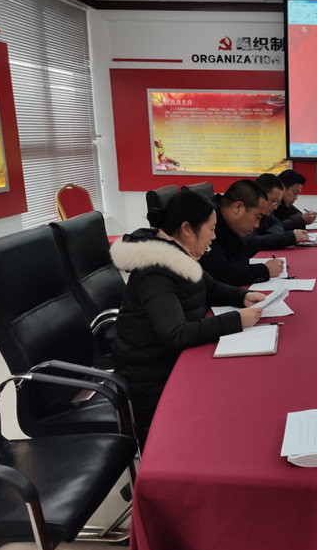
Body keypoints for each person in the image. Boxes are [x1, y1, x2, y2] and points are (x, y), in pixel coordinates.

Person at [111, 190, 266, 443]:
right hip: (153, 380)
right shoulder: (156, 269)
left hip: (175, 362)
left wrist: (243, 297)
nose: (214, 237)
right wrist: (236, 320)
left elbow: (210, 287)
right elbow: (176, 333)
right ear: (186, 229)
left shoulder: (178, 254)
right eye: (211, 229)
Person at [200, 179, 284, 285]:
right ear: (238, 207)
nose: (257, 225)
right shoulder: (205, 219)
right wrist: (264, 270)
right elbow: (220, 273)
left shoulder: (231, 223)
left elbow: (241, 259)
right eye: (257, 217)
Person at [244, 173, 310, 253]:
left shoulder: (267, 211)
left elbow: (278, 224)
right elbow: (251, 242)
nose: (275, 207)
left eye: (277, 203)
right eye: (273, 201)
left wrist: (269, 236)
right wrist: (290, 237)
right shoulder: (245, 212)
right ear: (259, 195)